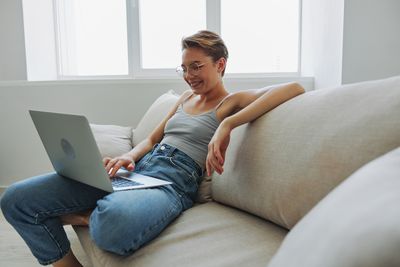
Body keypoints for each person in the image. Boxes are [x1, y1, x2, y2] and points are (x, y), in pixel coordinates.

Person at [0, 30, 305, 266]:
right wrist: (127, 156)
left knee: (111, 227)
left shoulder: (230, 103)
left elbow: (294, 88)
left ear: (220, 64)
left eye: (197, 66)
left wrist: (227, 124)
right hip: (139, 171)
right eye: (184, 68)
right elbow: (151, 140)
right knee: (16, 199)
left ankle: (84, 215)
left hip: (171, 185)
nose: (189, 75)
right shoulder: (184, 100)